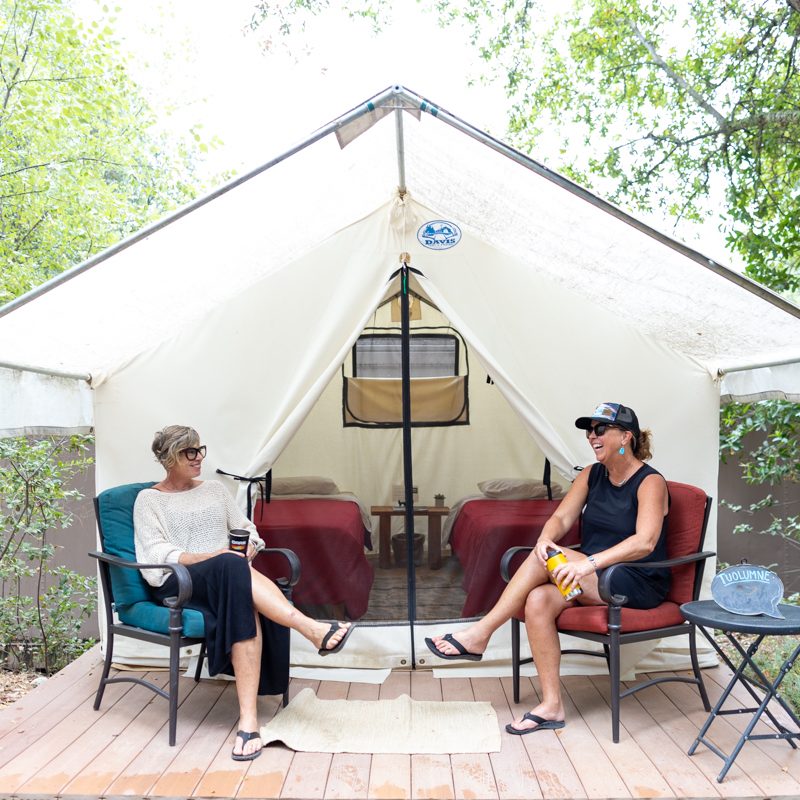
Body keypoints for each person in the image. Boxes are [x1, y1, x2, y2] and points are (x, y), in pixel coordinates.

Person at [425, 402, 670, 735]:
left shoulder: (649, 482)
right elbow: (562, 517)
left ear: (626, 436)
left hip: (633, 579)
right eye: (588, 430)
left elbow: (645, 542)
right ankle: (552, 705)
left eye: (600, 430)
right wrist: (544, 540)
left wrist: (588, 563)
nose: (591, 436)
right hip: (587, 575)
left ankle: (480, 633)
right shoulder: (591, 474)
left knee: (546, 560)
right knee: (537, 601)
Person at [134, 425, 355, 761]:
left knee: (237, 579)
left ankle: (249, 722)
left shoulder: (214, 491)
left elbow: (246, 529)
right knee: (231, 568)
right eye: (189, 452)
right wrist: (217, 556)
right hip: (180, 580)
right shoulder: (149, 500)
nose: (199, 458)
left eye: (200, 449)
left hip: (227, 576)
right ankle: (312, 628)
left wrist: (248, 547)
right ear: (169, 459)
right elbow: (157, 553)